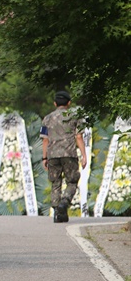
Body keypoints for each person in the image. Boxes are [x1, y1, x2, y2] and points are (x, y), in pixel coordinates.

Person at [40, 90, 87, 223]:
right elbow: (78, 136)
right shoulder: (74, 116)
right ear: (69, 103)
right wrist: (84, 155)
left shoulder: (47, 118)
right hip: (69, 154)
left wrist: (44, 158)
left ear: (55, 103)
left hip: (53, 155)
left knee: (55, 182)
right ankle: (64, 202)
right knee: (72, 181)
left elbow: (45, 140)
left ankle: (57, 212)